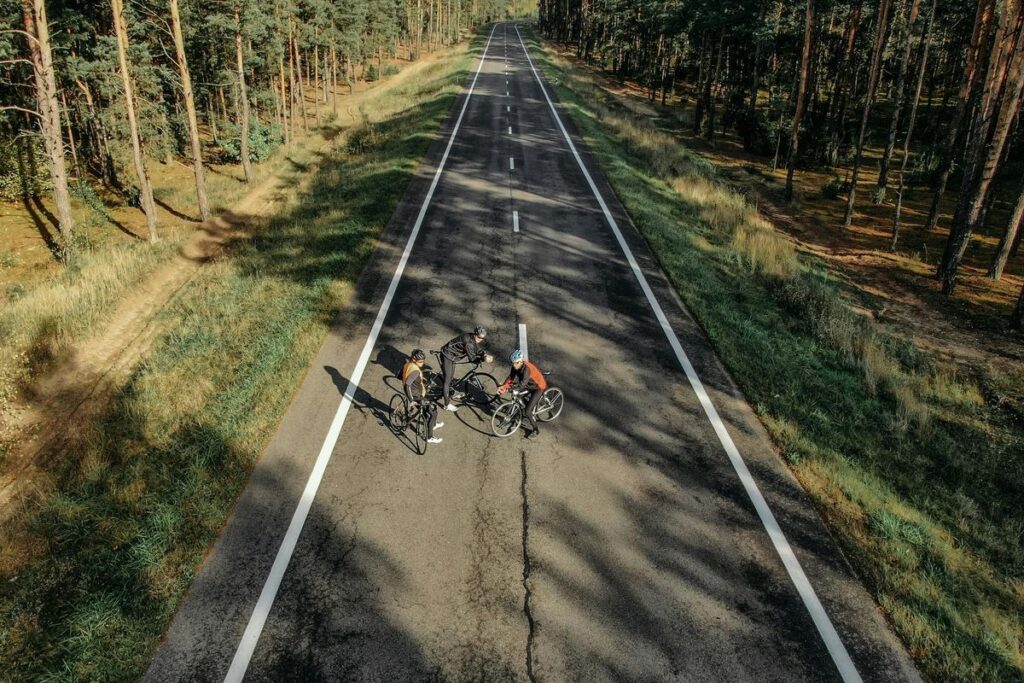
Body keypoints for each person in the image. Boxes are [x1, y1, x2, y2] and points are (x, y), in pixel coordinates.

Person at [439, 325, 494, 412]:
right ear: (475, 334)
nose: (481, 339)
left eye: (482, 338)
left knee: (451, 378)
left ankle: (451, 392)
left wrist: (484, 354)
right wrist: (483, 359)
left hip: (453, 357)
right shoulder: (468, 342)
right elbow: (472, 358)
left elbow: (477, 348)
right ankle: (446, 404)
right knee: (447, 380)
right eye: (479, 337)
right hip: (447, 356)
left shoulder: (472, 338)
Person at [497, 349, 547, 439]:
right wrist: (504, 387)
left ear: (520, 361)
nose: (513, 365)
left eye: (515, 363)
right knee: (518, 397)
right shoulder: (516, 366)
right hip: (529, 385)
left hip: (538, 387)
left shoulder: (526, 370)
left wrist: (509, 389)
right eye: (512, 363)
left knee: (527, 411)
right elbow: (511, 378)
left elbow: (522, 385)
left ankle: (536, 429)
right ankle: (521, 412)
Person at [403, 348, 443, 444]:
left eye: (423, 361)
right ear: (414, 360)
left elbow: (401, 374)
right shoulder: (415, 371)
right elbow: (407, 385)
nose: (422, 363)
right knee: (433, 411)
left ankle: (429, 423)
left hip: (416, 392)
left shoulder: (408, 364)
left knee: (427, 411)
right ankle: (430, 436)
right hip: (416, 396)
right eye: (420, 361)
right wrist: (411, 400)